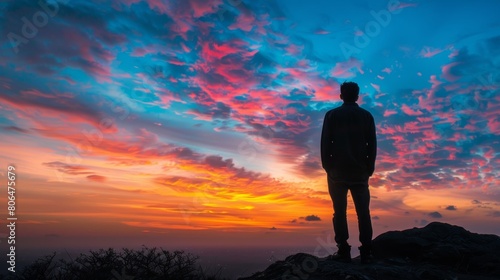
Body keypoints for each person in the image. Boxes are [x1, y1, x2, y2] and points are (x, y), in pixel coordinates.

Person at [320, 81, 377, 264]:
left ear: (341, 95)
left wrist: (327, 166)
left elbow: (325, 143)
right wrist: (369, 167)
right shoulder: (366, 116)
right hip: (360, 172)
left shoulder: (332, 115)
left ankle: (343, 250)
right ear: (357, 95)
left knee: (339, 212)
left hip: (337, 172)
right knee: (363, 213)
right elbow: (372, 144)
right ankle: (366, 251)